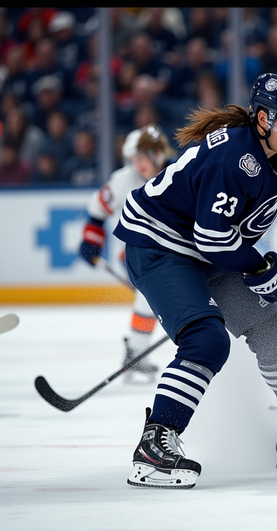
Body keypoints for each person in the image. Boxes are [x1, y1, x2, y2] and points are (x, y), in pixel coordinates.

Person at [113, 71, 277, 488]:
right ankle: (154, 443)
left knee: (273, 326)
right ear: (261, 118)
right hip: (161, 247)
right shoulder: (231, 159)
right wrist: (262, 268)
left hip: (209, 249)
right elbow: (214, 239)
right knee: (207, 339)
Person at [78, 125, 177, 382]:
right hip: (137, 255)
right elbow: (97, 211)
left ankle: (136, 351)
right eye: (134, 160)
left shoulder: (181, 172)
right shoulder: (124, 180)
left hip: (176, 252)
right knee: (148, 296)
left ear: (157, 154)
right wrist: (91, 240)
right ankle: (137, 352)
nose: (137, 165)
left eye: (142, 158)